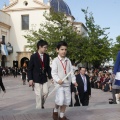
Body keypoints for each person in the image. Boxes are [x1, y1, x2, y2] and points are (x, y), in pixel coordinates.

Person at [52, 41, 78, 120]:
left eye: (65, 49)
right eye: (62, 49)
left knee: (66, 101)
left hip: (67, 84)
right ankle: (55, 109)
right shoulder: (55, 61)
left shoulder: (68, 61)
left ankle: (62, 116)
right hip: (59, 84)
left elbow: (71, 73)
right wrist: (57, 79)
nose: (64, 51)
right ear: (57, 50)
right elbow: (54, 73)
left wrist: (74, 81)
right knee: (60, 100)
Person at [27, 39, 53, 109]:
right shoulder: (33, 56)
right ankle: (38, 110)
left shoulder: (47, 56)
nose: (46, 49)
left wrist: (50, 77)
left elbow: (48, 68)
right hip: (36, 78)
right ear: (39, 47)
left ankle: (41, 104)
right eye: (44, 47)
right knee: (38, 95)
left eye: (46, 47)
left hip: (44, 78)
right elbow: (29, 69)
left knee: (46, 92)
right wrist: (30, 79)